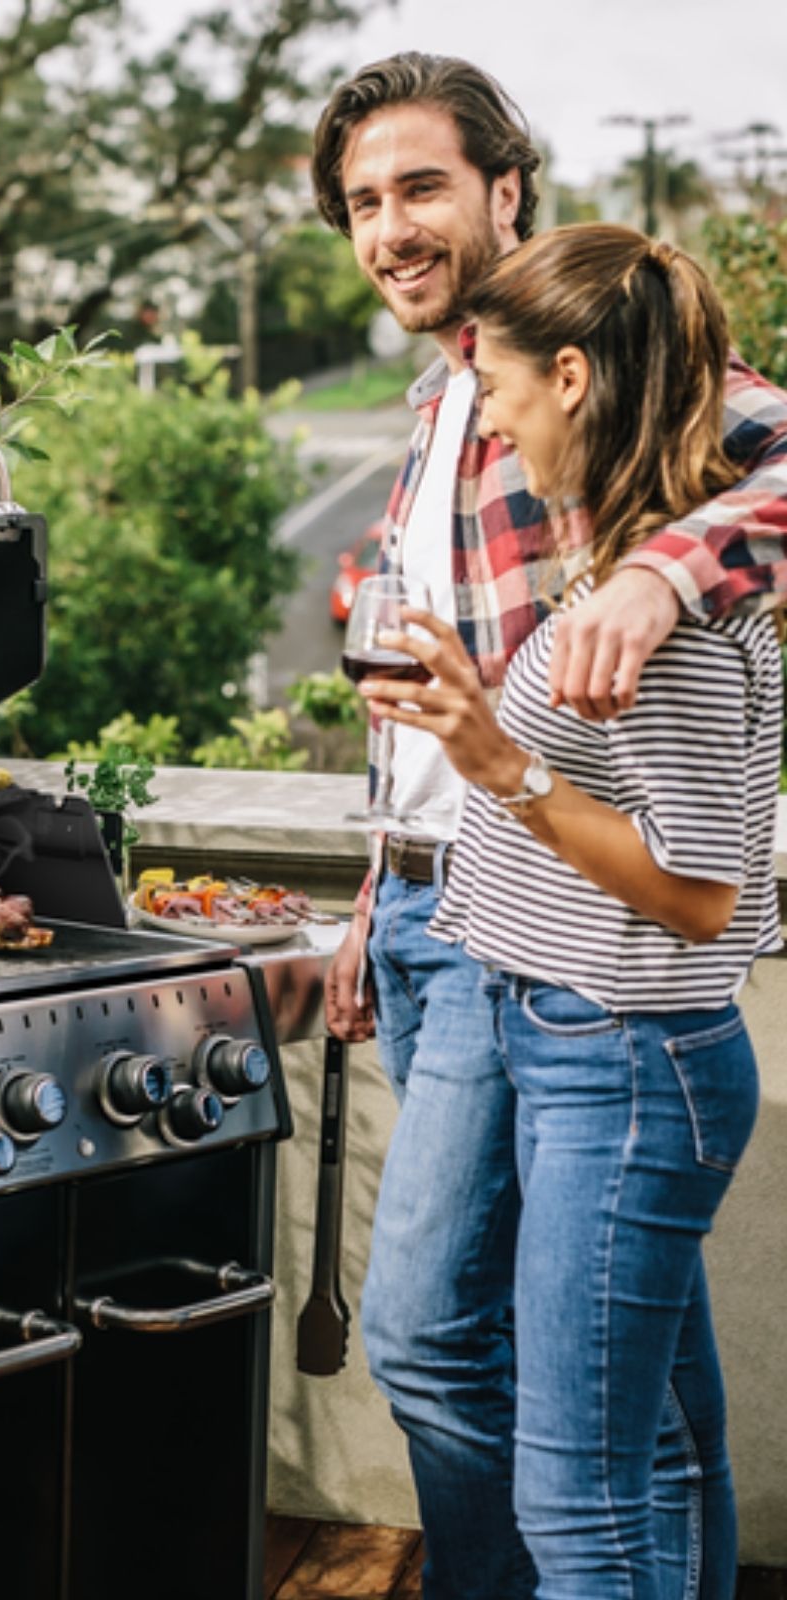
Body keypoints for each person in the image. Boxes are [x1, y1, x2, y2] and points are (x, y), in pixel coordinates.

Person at [308, 53, 787, 1600]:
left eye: (421, 186)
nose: (389, 227)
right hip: (454, 913)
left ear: (507, 188)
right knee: (638, 1398)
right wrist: (365, 901)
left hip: (574, 956)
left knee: (440, 1340)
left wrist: (663, 575)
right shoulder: (447, 405)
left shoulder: (595, 354)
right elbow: (432, 701)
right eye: (364, 203)